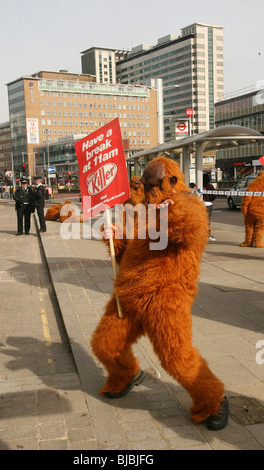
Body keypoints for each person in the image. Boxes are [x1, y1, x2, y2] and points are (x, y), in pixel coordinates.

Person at [91, 156, 228, 431]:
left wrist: (170, 211)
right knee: (105, 345)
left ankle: (213, 399)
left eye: (153, 184)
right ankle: (127, 375)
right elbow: (124, 253)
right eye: (146, 184)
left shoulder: (188, 205)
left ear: (170, 182)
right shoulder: (142, 211)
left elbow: (187, 229)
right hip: (129, 298)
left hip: (166, 300)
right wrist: (113, 236)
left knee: (177, 360)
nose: (148, 190)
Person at [203, 173, 216, 241]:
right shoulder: (210, 186)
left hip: (200, 203)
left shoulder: (199, 185)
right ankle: (208, 235)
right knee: (207, 220)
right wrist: (211, 199)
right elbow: (214, 195)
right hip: (208, 204)